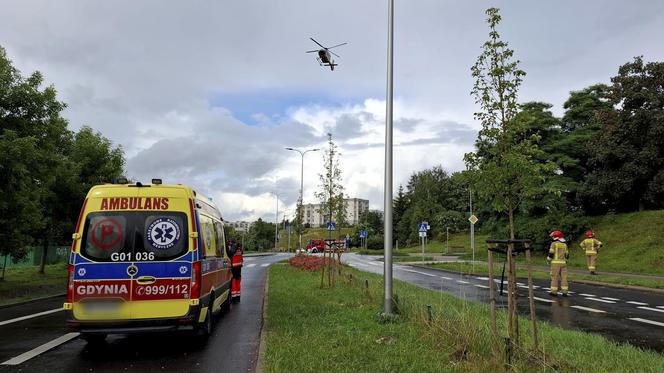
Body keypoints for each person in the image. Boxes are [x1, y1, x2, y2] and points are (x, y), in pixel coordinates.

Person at [547, 230, 569, 296]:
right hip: (563, 263)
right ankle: (565, 292)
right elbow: (567, 255)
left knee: (554, 277)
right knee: (564, 277)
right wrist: (565, 261)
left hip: (555, 263)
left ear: (555, 237)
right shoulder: (565, 244)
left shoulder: (554, 244)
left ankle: (554, 292)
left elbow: (551, 253)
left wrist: (548, 260)